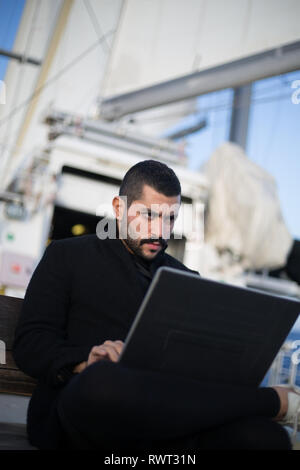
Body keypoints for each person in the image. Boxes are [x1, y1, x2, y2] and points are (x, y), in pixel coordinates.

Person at [13, 159, 299, 451]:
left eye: (170, 219)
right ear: (119, 208)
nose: (160, 232)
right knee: (104, 381)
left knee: (265, 438)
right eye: (148, 216)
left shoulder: (188, 280)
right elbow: (30, 343)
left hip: (169, 418)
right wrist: (85, 360)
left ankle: (263, 405)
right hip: (91, 411)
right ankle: (271, 401)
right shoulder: (67, 256)